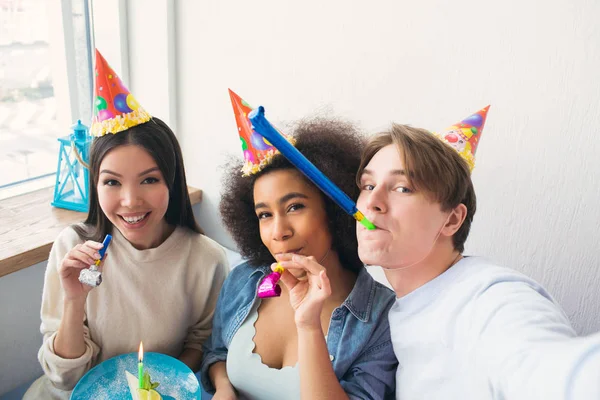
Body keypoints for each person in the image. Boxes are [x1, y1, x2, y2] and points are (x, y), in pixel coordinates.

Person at [355, 107, 600, 399]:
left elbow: (551, 372)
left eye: (403, 188)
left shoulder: (492, 299)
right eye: (368, 185)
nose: (372, 202)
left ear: (452, 220)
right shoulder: (399, 310)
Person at [24, 50, 228, 400]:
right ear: (95, 186)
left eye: (149, 180)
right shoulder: (72, 247)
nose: (131, 200)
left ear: (172, 181)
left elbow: (201, 343)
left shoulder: (205, 259)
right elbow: (63, 379)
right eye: (112, 182)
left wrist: (152, 389)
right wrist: (74, 300)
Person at [200, 90, 397, 400]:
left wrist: (308, 326)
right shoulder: (245, 279)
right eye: (264, 214)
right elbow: (216, 352)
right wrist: (223, 387)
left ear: (332, 211)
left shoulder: (379, 318)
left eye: (294, 207)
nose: (278, 232)